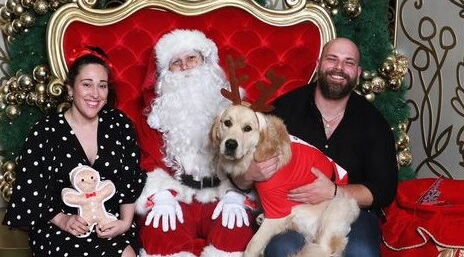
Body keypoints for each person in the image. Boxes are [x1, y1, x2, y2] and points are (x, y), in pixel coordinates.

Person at [234, 37, 399, 257]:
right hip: (291, 211)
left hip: (352, 212)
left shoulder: (374, 123)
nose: (339, 68)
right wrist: (249, 174)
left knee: (362, 251)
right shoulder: (284, 109)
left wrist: (335, 191)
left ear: (358, 74)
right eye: (332, 59)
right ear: (319, 64)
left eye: (348, 62)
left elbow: (384, 190)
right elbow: (239, 170)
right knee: (281, 248)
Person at [2, 46, 146, 257]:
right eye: (87, 84)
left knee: (125, 254)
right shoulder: (45, 132)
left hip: (110, 221)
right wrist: (63, 220)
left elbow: (129, 180)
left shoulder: (119, 125)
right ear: (70, 89)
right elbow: (30, 189)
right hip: (60, 227)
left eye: (102, 86)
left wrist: (124, 223)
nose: (95, 94)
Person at [135, 29, 254, 257]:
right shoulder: (155, 116)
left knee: (235, 230)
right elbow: (148, 160)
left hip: (222, 192)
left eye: (192, 58)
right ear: (165, 73)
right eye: (176, 63)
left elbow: (252, 152)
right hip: (176, 195)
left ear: (206, 62)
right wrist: (160, 195)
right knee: (160, 231)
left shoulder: (234, 107)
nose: (186, 66)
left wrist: (237, 193)